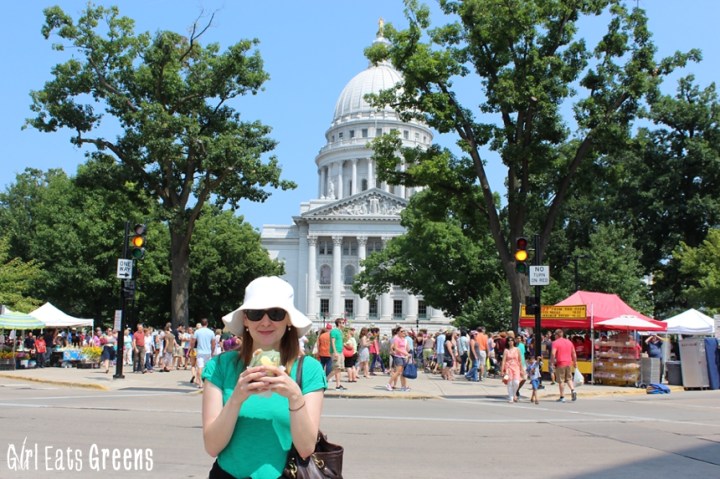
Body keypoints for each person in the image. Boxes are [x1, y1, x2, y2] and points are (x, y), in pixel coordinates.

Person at [201, 276, 326, 479]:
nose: (265, 322)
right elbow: (212, 446)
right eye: (256, 313)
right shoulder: (220, 366)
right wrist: (236, 399)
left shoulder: (308, 369)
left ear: (288, 320)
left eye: (276, 313)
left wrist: (295, 397)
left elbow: (306, 448)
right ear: (245, 319)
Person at [551, 329, 578, 403]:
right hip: (569, 362)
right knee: (569, 378)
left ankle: (562, 396)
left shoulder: (555, 343)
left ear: (557, 335)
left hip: (560, 363)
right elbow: (574, 353)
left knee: (561, 380)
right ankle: (573, 390)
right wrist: (575, 362)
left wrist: (552, 362)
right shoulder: (569, 342)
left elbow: (553, 353)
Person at [192, 319, 216, 389]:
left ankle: (200, 384)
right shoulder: (211, 332)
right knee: (208, 367)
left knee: (200, 367)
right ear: (207, 324)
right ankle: (208, 382)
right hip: (208, 352)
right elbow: (213, 343)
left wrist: (192, 348)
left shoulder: (197, 331)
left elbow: (193, 341)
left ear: (201, 324)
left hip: (200, 352)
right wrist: (212, 351)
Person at [501, 336, 525, 403]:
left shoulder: (517, 349)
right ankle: (511, 397)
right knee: (510, 383)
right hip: (508, 368)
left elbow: (520, 360)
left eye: (511, 340)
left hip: (516, 367)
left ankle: (514, 394)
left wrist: (522, 369)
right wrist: (502, 370)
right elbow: (503, 361)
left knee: (516, 382)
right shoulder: (506, 350)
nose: (510, 342)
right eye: (509, 341)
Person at [328, 318, 346, 390]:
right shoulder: (334, 331)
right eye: (342, 323)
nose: (343, 324)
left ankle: (338, 385)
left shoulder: (340, 332)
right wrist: (335, 352)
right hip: (336, 352)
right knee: (336, 368)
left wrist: (343, 353)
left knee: (339, 369)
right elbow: (333, 342)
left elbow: (340, 343)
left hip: (340, 352)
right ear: (339, 324)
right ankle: (326, 379)